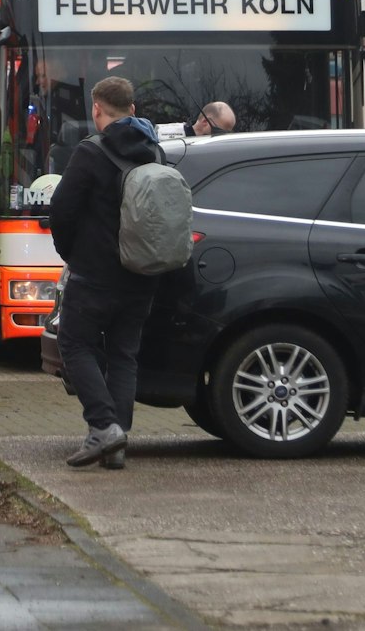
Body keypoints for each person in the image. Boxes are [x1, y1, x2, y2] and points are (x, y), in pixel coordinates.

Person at [47, 76, 161, 471]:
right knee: (123, 355)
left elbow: (61, 209)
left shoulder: (90, 152)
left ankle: (104, 427)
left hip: (94, 274)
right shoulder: (153, 151)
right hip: (143, 272)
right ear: (132, 109)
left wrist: (71, 253)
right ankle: (117, 443)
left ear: (97, 109)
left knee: (74, 344)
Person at [160, 100, 238, 141]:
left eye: (228, 133)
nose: (223, 137)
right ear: (205, 122)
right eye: (219, 132)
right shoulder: (162, 136)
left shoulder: (216, 149)